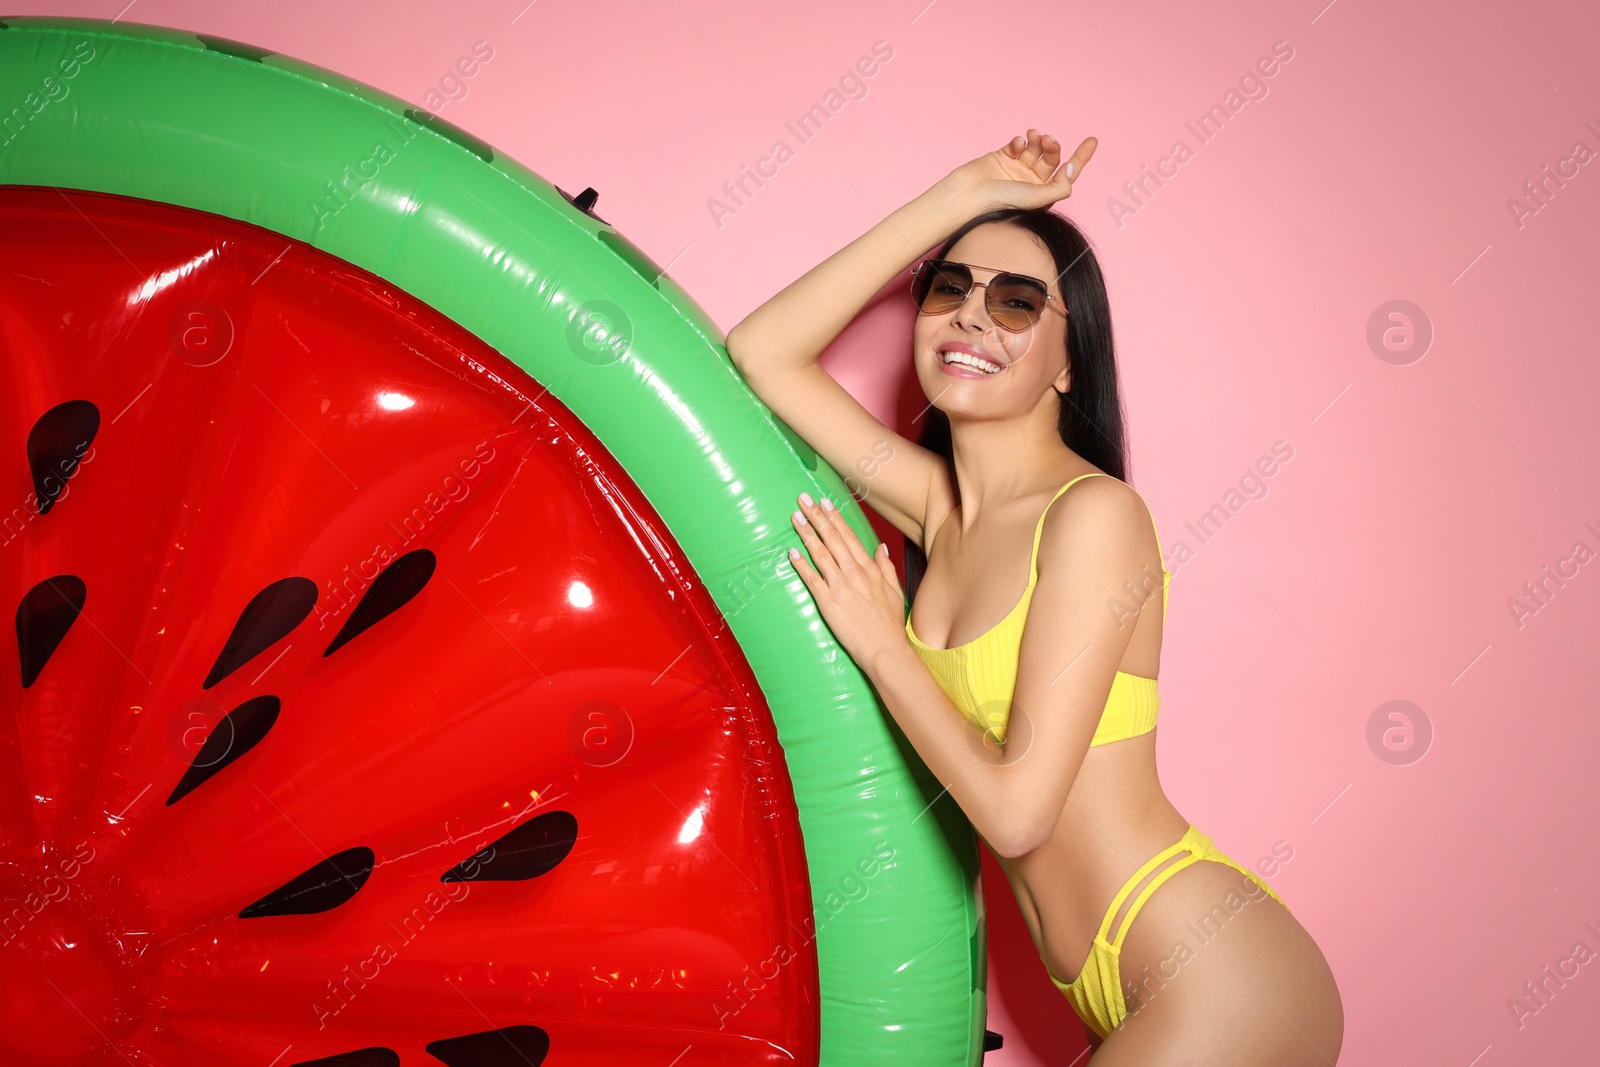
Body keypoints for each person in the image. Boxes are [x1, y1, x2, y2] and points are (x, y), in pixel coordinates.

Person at [725, 129, 1343, 1063]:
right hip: (1098, 984)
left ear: (1066, 359)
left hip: (1209, 964)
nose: (972, 318)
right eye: (950, 289)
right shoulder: (940, 512)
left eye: (1016, 303)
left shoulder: (1094, 517)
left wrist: (882, 643)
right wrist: (961, 191)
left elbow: (1018, 813)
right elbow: (763, 351)